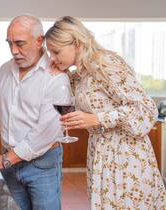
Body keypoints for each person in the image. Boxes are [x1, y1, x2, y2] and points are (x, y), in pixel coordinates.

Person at [45, 16, 166, 209]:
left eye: (56, 52)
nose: (52, 58)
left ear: (76, 43)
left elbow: (145, 108)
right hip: (100, 154)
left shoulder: (106, 63)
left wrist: (96, 119)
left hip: (125, 156)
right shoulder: (82, 73)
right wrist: (62, 75)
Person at [0, 14, 72, 210]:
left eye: (20, 43)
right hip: (10, 164)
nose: (14, 51)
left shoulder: (57, 77)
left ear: (39, 41)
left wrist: (4, 160)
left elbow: (46, 132)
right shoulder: (4, 71)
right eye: (9, 44)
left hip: (41, 164)